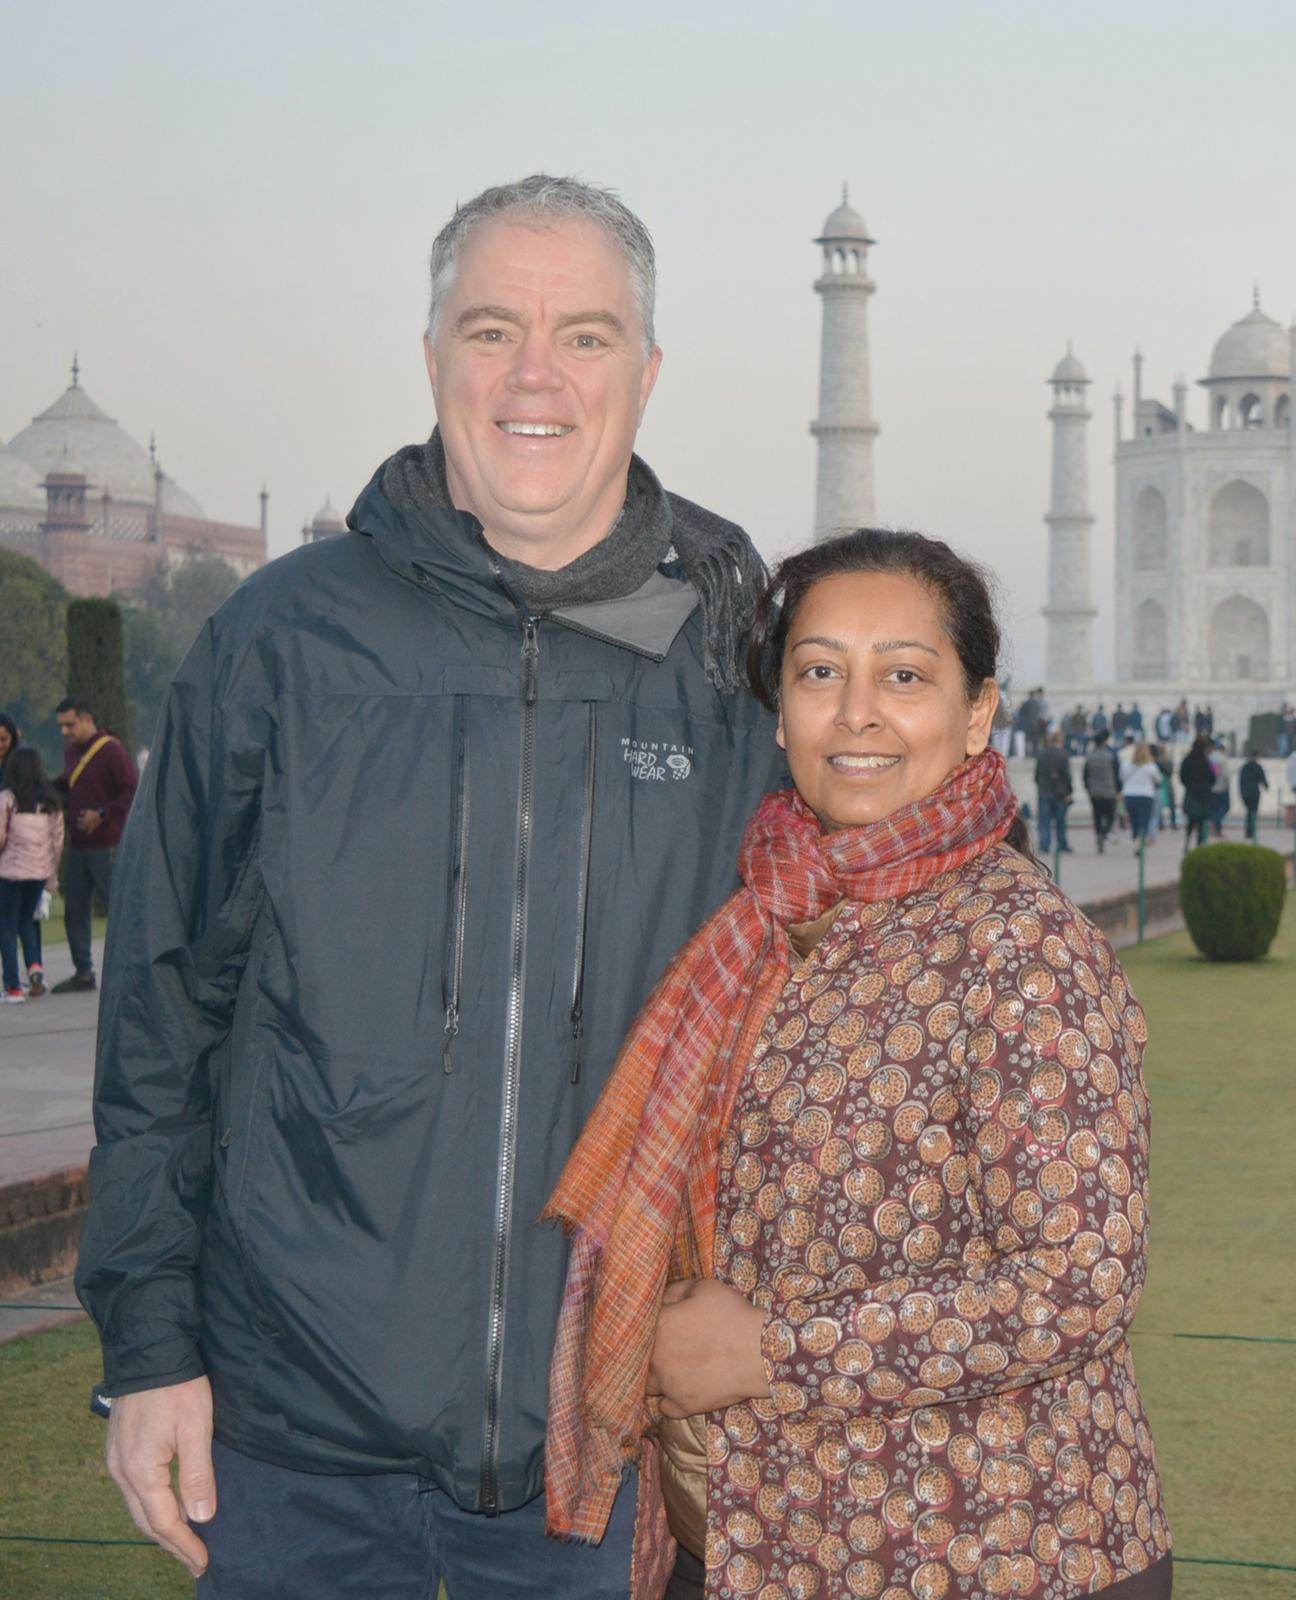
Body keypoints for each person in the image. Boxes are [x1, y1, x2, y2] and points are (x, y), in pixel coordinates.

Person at [76, 175, 786, 1595]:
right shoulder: (288, 639)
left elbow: (841, 1005)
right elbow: (162, 1017)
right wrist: (150, 1349)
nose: (536, 376)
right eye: (491, 330)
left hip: (610, 1434)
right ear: (430, 361)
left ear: (646, 375)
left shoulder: (729, 657)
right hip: (294, 1436)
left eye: (584, 336)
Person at [543, 529, 1171, 1598]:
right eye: (821, 671)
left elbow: (1079, 1283)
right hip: (772, 1539)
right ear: (780, 706)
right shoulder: (764, 921)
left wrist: (770, 1353)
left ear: (978, 713)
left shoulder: (1016, 944)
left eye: (906, 676)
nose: (858, 712)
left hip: (991, 1548)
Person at [50, 698, 139, 994]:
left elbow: (131, 788)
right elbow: (68, 784)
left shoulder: (111, 750)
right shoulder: (72, 753)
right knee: (75, 909)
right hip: (79, 846)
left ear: (87, 719)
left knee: (118, 906)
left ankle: (134, 971)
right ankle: (83, 972)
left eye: (70, 724)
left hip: (108, 844)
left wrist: (102, 814)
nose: (65, 731)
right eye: (61, 725)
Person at [1, 745, 66, 1001]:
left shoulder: (8, 798)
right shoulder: (51, 802)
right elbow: (58, 841)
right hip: (39, 871)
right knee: (26, 921)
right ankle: (35, 969)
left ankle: (12, 986)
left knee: (6, 927)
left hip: (10, 872)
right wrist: (51, 873)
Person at [1035, 729, 1075, 854]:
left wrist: (1041, 785)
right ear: (1061, 741)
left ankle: (1045, 843)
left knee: (1044, 821)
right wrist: (1069, 791)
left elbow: (1037, 775)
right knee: (1061, 820)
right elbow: (1067, 776)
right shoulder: (1064, 754)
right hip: (1060, 793)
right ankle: (1062, 843)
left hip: (1044, 791)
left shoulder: (1041, 754)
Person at [1085, 727, 1122, 852]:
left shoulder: (1090, 756)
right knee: (1110, 816)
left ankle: (1099, 835)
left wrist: (1088, 788)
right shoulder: (1111, 756)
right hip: (1109, 791)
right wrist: (1118, 790)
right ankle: (1105, 833)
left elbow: (1086, 775)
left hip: (1094, 792)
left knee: (1097, 816)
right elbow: (1117, 774)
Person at [1179, 735, 1217, 847]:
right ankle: (1200, 845)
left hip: (1191, 793)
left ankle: (1187, 843)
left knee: (1190, 821)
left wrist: (1189, 785)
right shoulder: (1205, 761)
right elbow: (1212, 778)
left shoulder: (1187, 760)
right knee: (1201, 823)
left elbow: (1182, 777)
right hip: (1203, 795)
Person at [1121, 740, 1162, 843]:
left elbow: (1121, 778)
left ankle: (1136, 838)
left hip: (1129, 795)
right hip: (1146, 795)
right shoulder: (1150, 765)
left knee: (1134, 821)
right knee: (1144, 820)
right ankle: (1141, 841)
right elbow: (1158, 780)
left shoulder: (1126, 764)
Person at [1238, 749, 1267, 840]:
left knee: (1249, 811)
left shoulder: (1244, 767)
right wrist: (1266, 786)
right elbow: (1263, 779)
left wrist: (1241, 792)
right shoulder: (1257, 766)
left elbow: (1240, 781)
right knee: (1253, 812)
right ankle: (1251, 831)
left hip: (1245, 792)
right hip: (1254, 792)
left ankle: (1248, 831)